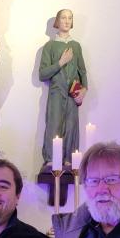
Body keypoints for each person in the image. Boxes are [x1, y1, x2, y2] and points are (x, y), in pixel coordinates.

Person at [39, 9, 87, 166]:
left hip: (72, 95)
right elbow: (43, 74)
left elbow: (83, 71)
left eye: (70, 18)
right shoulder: (49, 46)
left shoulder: (76, 46)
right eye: (63, 18)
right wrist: (61, 62)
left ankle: (69, 159)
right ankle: (51, 159)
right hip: (56, 93)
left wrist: (84, 90)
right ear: (57, 22)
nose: (67, 21)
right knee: (54, 124)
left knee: (71, 125)